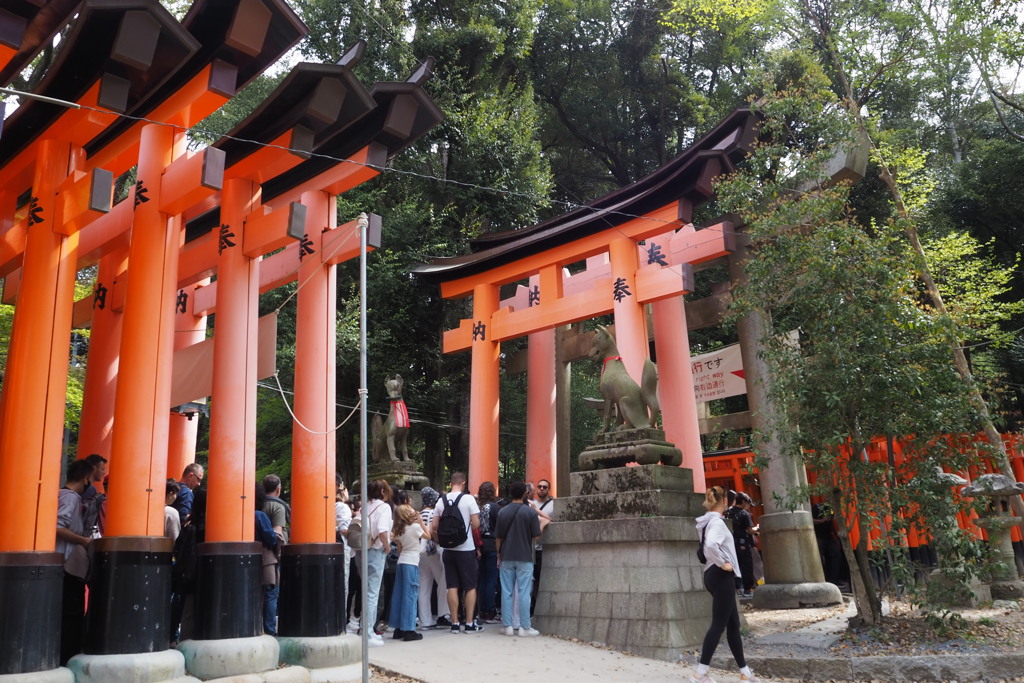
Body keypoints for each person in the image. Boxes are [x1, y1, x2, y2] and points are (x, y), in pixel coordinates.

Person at [693, 486, 760, 683]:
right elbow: (711, 545)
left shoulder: (706, 522)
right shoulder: (717, 524)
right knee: (719, 624)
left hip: (713, 575)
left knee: (732, 624)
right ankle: (700, 673)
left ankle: (744, 672)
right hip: (721, 575)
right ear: (724, 502)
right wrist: (725, 564)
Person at [430, 472, 482, 633]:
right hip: (466, 548)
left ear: (451, 483)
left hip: (448, 550)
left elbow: (434, 526)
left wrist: (443, 540)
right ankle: (468, 623)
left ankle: (454, 623)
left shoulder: (441, 501)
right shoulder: (468, 499)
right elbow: (476, 523)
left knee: (452, 585)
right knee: (470, 586)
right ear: (464, 483)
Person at [57, 459, 93, 665]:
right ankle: (68, 658)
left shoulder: (60, 494)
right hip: (68, 562)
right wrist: (84, 540)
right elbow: (59, 526)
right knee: (72, 614)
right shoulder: (71, 498)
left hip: (61, 562)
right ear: (84, 477)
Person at [495, 481, 542, 637]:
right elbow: (536, 536)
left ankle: (507, 626)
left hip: (507, 555)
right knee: (523, 592)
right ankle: (524, 627)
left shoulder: (502, 512)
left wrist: (499, 553)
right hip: (525, 556)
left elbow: (498, 537)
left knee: (506, 591)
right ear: (524, 493)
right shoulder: (530, 513)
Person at [388, 504, 426, 641]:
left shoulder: (399, 530)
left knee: (399, 594)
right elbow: (427, 536)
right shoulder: (415, 527)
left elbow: (399, 548)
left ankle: (398, 627)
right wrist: (421, 523)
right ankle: (409, 628)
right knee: (410, 594)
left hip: (401, 561)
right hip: (411, 561)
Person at [364, 479, 394, 647]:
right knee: (373, 592)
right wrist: (388, 546)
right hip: (376, 550)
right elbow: (382, 530)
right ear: (383, 491)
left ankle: (364, 629)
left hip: (363, 550)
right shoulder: (384, 508)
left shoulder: (365, 506)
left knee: (365, 590)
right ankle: (368, 632)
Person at [417, 487, 451, 629]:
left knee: (424, 585)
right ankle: (444, 613)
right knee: (443, 582)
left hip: (419, 551)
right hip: (432, 551)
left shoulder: (418, 514)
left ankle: (425, 620)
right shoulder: (432, 513)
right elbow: (432, 531)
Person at [261, 474, 289, 636]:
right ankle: (270, 631)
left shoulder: (258, 504)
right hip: (271, 556)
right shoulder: (277, 507)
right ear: (278, 489)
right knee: (272, 592)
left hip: (256, 553)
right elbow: (277, 533)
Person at [476, 481, 500, 623]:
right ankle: (490, 611)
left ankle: (481, 611)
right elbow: (499, 528)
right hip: (492, 544)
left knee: (482, 579)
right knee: (491, 579)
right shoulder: (496, 507)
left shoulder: (477, 507)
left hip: (479, 544)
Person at [725, 492, 757, 597]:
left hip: (730, 543)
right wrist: (757, 528)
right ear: (743, 502)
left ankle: (737, 587)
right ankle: (747, 588)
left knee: (734, 564)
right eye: (748, 503)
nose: (748, 506)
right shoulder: (744, 514)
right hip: (743, 543)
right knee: (746, 565)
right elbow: (750, 530)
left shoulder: (727, 512)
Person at [532, 478, 555, 613]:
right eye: (539, 486)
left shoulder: (553, 504)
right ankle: (531, 608)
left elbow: (555, 519)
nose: (541, 489)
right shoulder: (530, 504)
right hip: (531, 548)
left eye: (544, 487)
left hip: (544, 548)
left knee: (541, 579)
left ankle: (539, 609)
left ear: (548, 490)